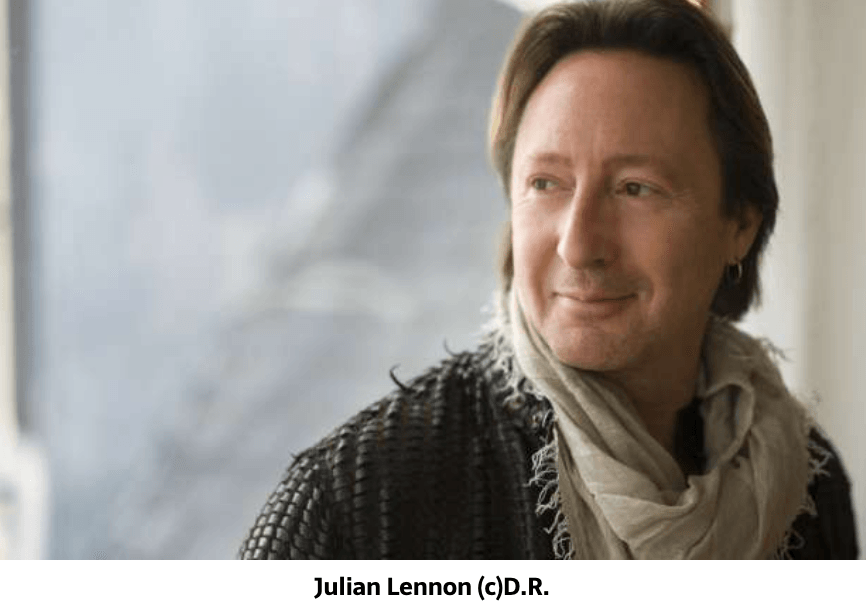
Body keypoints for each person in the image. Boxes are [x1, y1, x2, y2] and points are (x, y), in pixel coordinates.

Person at [239, 0, 858, 559]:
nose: (579, 244)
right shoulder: (355, 507)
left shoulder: (805, 486)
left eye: (635, 188)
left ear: (740, 224)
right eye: (546, 183)